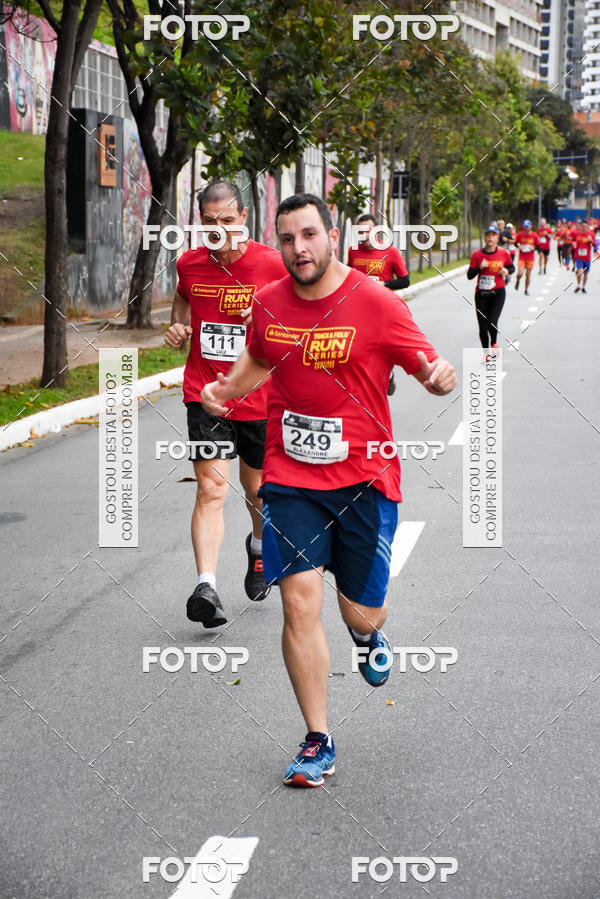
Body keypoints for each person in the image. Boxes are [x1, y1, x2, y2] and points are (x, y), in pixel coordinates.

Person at [201, 193, 456, 787]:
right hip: (290, 475)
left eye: (309, 235)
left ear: (332, 235)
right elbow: (256, 364)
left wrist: (439, 378)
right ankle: (318, 738)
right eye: (287, 239)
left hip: (365, 476)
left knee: (362, 608)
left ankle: (366, 635)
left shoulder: (375, 302)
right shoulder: (267, 304)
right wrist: (224, 390)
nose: (298, 249)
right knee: (297, 601)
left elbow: (426, 366)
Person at [165, 180, 287, 627]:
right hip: (206, 393)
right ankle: (206, 587)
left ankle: (258, 549)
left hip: (262, 396)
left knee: (257, 490)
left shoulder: (273, 264)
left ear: (244, 220)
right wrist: (178, 328)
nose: (219, 231)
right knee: (212, 489)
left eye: (227, 222)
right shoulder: (189, 265)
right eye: (209, 223)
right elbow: (182, 301)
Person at [347, 213, 410, 396]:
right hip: (358, 309)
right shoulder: (353, 251)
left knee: (381, 347)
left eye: (369, 230)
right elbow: (348, 274)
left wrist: (384, 284)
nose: (366, 235)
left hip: (383, 310)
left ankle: (387, 374)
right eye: (362, 231)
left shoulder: (391, 252)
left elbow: (405, 281)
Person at [467, 226, 514, 358]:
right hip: (481, 294)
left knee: (492, 321)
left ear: (497, 238)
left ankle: (494, 343)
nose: (490, 237)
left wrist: (507, 271)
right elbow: (469, 275)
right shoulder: (477, 255)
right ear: (484, 237)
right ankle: (486, 353)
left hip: (498, 293)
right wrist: (479, 268)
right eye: (488, 235)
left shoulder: (504, 253)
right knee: (482, 327)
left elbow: (511, 267)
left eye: (493, 235)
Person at [514, 220, 538, 295]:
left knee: (528, 275)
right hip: (522, 257)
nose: (526, 228)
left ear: (531, 226)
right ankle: (518, 280)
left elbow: (538, 246)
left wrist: (533, 248)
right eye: (525, 226)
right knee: (520, 273)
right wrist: (519, 246)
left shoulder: (534, 235)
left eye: (527, 226)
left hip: (530, 258)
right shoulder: (520, 234)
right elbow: (515, 243)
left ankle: (526, 289)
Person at [573, 220, 598, 293]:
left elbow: (594, 245)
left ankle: (583, 286)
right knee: (579, 271)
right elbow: (573, 242)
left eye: (585, 226)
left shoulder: (591, 234)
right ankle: (579, 285)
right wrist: (573, 245)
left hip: (587, 258)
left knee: (585, 273)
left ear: (588, 227)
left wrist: (591, 240)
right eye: (582, 226)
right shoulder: (577, 234)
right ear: (580, 227)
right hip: (579, 257)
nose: (584, 228)